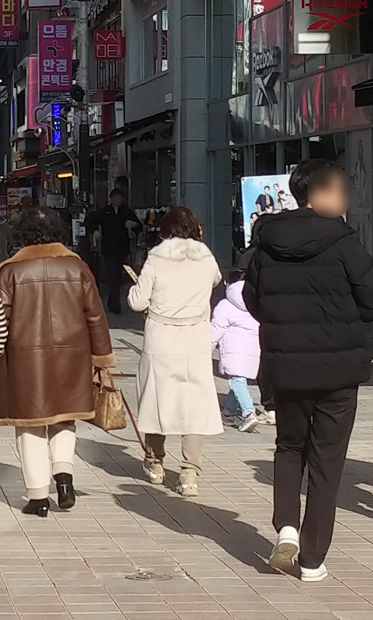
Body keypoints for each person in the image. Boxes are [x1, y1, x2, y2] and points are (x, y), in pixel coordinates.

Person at [243, 159, 373, 582]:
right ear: (320, 194)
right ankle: (312, 560)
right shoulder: (343, 241)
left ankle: (286, 525)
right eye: (340, 191)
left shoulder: (267, 241)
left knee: (289, 446)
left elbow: (253, 299)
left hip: (285, 366)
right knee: (327, 460)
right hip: (338, 369)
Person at [0, 207, 115, 516]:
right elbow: (95, 315)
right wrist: (101, 355)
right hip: (70, 356)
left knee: (30, 425)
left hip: (24, 360)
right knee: (64, 417)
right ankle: (63, 476)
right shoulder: (76, 266)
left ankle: (37, 498)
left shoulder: (10, 270)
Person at [127, 207, 224, 496]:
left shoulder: (156, 257)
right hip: (194, 337)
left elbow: (136, 301)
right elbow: (216, 281)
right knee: (193, 405)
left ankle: (155, 462)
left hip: (162, 337)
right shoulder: (206, 257)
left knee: (158, 400)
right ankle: (189, 473)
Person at [210, 251, 262, 432]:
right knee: (239, 380)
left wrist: (207, 347)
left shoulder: (226, 305)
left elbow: (216, 328)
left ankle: (249, 413)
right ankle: (228, 412)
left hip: (233, 350)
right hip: (254, 349)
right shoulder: (255, 302)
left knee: (236, 381)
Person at [87, 183, 140, 313]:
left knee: (118, 277)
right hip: (108, 248)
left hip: (122, 248)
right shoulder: (105, 212)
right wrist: (95, 231)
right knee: (113, 275)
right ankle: (115, 304)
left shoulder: (127, 212)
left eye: (120, 197)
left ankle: (113, 301)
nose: (118, 200)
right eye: (116, 197)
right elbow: (89, 221)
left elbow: (139, 226)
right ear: (111, 199)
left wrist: (133, 225)